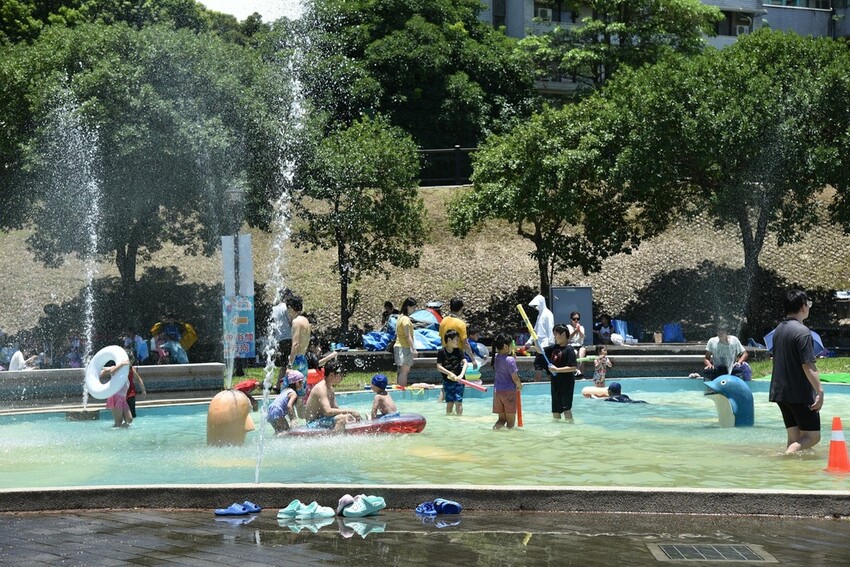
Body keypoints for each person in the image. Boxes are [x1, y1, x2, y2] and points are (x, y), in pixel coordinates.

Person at [769, 289, 824, 454]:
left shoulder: (778, 330)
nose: (809, 307)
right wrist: (819, 391)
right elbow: (808, 365)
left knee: (795, 437)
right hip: (798, 393)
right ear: (802, 307)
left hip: (780, 392)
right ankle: (785, 457)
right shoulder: (802, 332)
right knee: (813, 437)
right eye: (808, 303)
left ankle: (791, 473)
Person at [304, 361, 362, 433]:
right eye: (340, 375)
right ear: (331, 375)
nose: (342, 377)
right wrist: (351, 411)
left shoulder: (330, 388)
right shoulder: (321, 389)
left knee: (347, 417)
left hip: (323, 419)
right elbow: (328, 411)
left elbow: (335, 409)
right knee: (341, 419)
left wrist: (349, 415)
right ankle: (336, 440)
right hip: (312, 424)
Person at [542, 324, 579, 422]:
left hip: (566, 383)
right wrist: (534, 339)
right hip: (555, 383)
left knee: (566, 409)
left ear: (563, 334)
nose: (554, 337)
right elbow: (540, 350)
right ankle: (558, 430)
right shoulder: (554, 348)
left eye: (556, 335)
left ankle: (570, 429)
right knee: (555, 411)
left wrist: (557, 370)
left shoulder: (569, 349)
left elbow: (573, 368)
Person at [491, 332, 523, 430]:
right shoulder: (510, 361)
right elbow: (515, 378)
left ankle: (494, 433)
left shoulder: (496, 357)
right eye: (511, 345)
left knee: (501, 420)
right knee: (510, 423)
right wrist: (520, 385)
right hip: (508, 393)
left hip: (497, 392)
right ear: (505, 346)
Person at [286, 295, 310, 416]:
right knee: (300, 393)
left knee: (289, 391)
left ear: (290, 308)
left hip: (296, 360)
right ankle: (305, 420)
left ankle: (293, 422)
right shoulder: (305, 321)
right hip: (303, 360)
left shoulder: (296, 322)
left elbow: (295, 344)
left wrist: (290, 364)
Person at [438, 297, 477, 369]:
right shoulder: (461, 324)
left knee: (447, 378)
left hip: (445, 355)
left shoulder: (443, 321)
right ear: (461, 309)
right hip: (457, 357)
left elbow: (441, 339)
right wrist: (473, 360)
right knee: (459, 378)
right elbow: (465, 343)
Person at [437, 329, 468, 416]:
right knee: (449, 402)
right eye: (456, 340)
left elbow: (465, 363)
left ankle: (459, 418)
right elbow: (439, 366)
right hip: (448, 381)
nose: (458, 342)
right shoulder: (441, 352)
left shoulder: (458, 351)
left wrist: (461, 375)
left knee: (458, 401)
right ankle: (449, 420)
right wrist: (449, 373)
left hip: (459, 381)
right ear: (449, 340)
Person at [525, 294, 554, 382]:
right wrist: (529, 341)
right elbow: (535, 331)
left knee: (550, 371)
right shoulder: (539, 316)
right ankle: (536, 386)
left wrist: (551, 344)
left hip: (546, 347)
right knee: (538, 368)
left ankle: (553, 387)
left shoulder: (548, 314)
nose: (536, 307)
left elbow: (550, 329)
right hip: (539, 347)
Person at [393, 297, 418, 387]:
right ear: (408, 307)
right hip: (404, 347)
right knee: (404, 372)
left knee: (402, 371)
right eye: (413, 307)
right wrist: (414, 348)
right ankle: (403, 391)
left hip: (399, 346)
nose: (414, 310)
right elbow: (408, 335)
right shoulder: (406, 319)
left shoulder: (400, 317)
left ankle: (401, 390)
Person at [272, 290, 293, 387]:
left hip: (279, 339)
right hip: (288, 337)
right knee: (289, 363)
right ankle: (284, 385)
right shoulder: (286, 308)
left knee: (284, 364)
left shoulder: (274, 308)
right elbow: (291, 321)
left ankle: (278, 385)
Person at [102, 359, 133, 428]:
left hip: (123, 399)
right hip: (115, 397)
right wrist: (122, 364)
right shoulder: (117, 369)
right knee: (118, 421)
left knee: (129, 419)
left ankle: (122, 431)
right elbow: (111, 370)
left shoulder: (126, 373)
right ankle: (115, 434)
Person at [125, 352, 147, 418]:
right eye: (132, 360)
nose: (132, 361)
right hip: (122, 394)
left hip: (131, 393)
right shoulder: (120, 368)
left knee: (132, 413)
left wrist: (143, 390)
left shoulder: (132, 368)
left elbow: (138, 379)